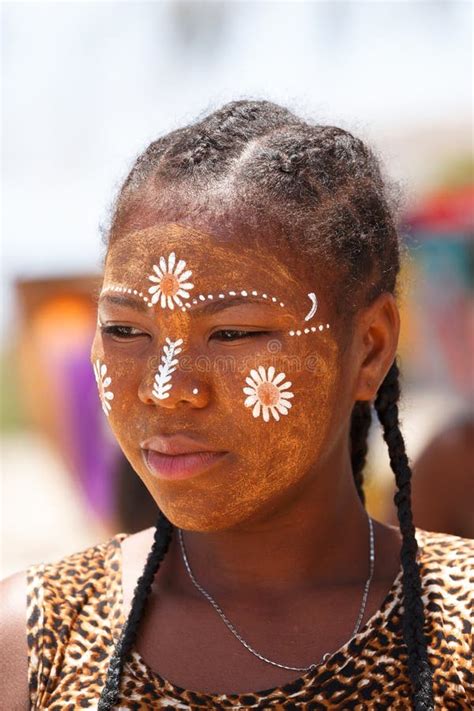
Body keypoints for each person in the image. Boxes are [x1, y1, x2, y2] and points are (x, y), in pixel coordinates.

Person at [1, 100, 472, 710]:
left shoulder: (456, 628)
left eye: (232, 334)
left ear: (370, 349)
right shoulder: (33, 647)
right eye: (124, 331)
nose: (165, 387)